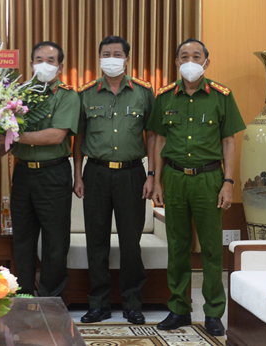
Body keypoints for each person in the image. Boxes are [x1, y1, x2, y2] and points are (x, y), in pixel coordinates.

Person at [148, 38, 245, 336]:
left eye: (196, 55)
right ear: (177, 62)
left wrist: (228, 183)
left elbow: (229, 141)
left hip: (209, 179)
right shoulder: (164, 97)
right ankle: (179, 309)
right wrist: (156, 180)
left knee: (212, 250)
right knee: (176, 248)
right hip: (175, 179)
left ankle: (214, 312)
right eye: (184, 56)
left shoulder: (221, 95)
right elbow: (159, 140)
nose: (190, 60)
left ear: (206, 61)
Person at [73, 36, 155, 324]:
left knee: (131, 242)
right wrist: (77, 175)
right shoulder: (86, 93)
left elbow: (154, 135)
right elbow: (79, 137)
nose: (111, 58)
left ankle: (132, 302)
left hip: (133, 174)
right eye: (105, 54)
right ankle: (99, 303)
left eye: (116, 54)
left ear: (127, 59)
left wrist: (152, 175)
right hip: (95, 173)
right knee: (97, 241)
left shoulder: (144, 92)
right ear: (99, 58)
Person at [7, 41, 79, 297]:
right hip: (24, 172)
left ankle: (51, 298)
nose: (44, 65)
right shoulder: (16, 94)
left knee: (55, 242)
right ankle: (23, 295)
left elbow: (56, 136)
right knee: (23, 239)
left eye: (50, 61)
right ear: (31, 63)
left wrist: (12, 136)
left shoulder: (68, 95)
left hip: (53, 173)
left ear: (60, 66)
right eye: (39, 59)